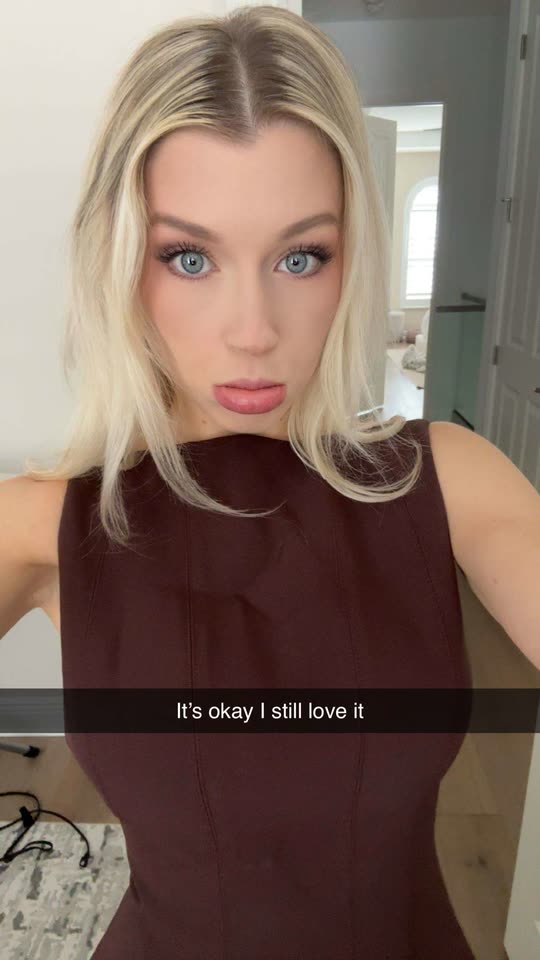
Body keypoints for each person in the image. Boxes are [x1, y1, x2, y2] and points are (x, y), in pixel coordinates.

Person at [2, 5, 539, 959]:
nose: (253, 329)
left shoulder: (450, 481)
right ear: (120, 259)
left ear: (349, 257)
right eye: (189, 257)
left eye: (301, 257)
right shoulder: (46, 524)